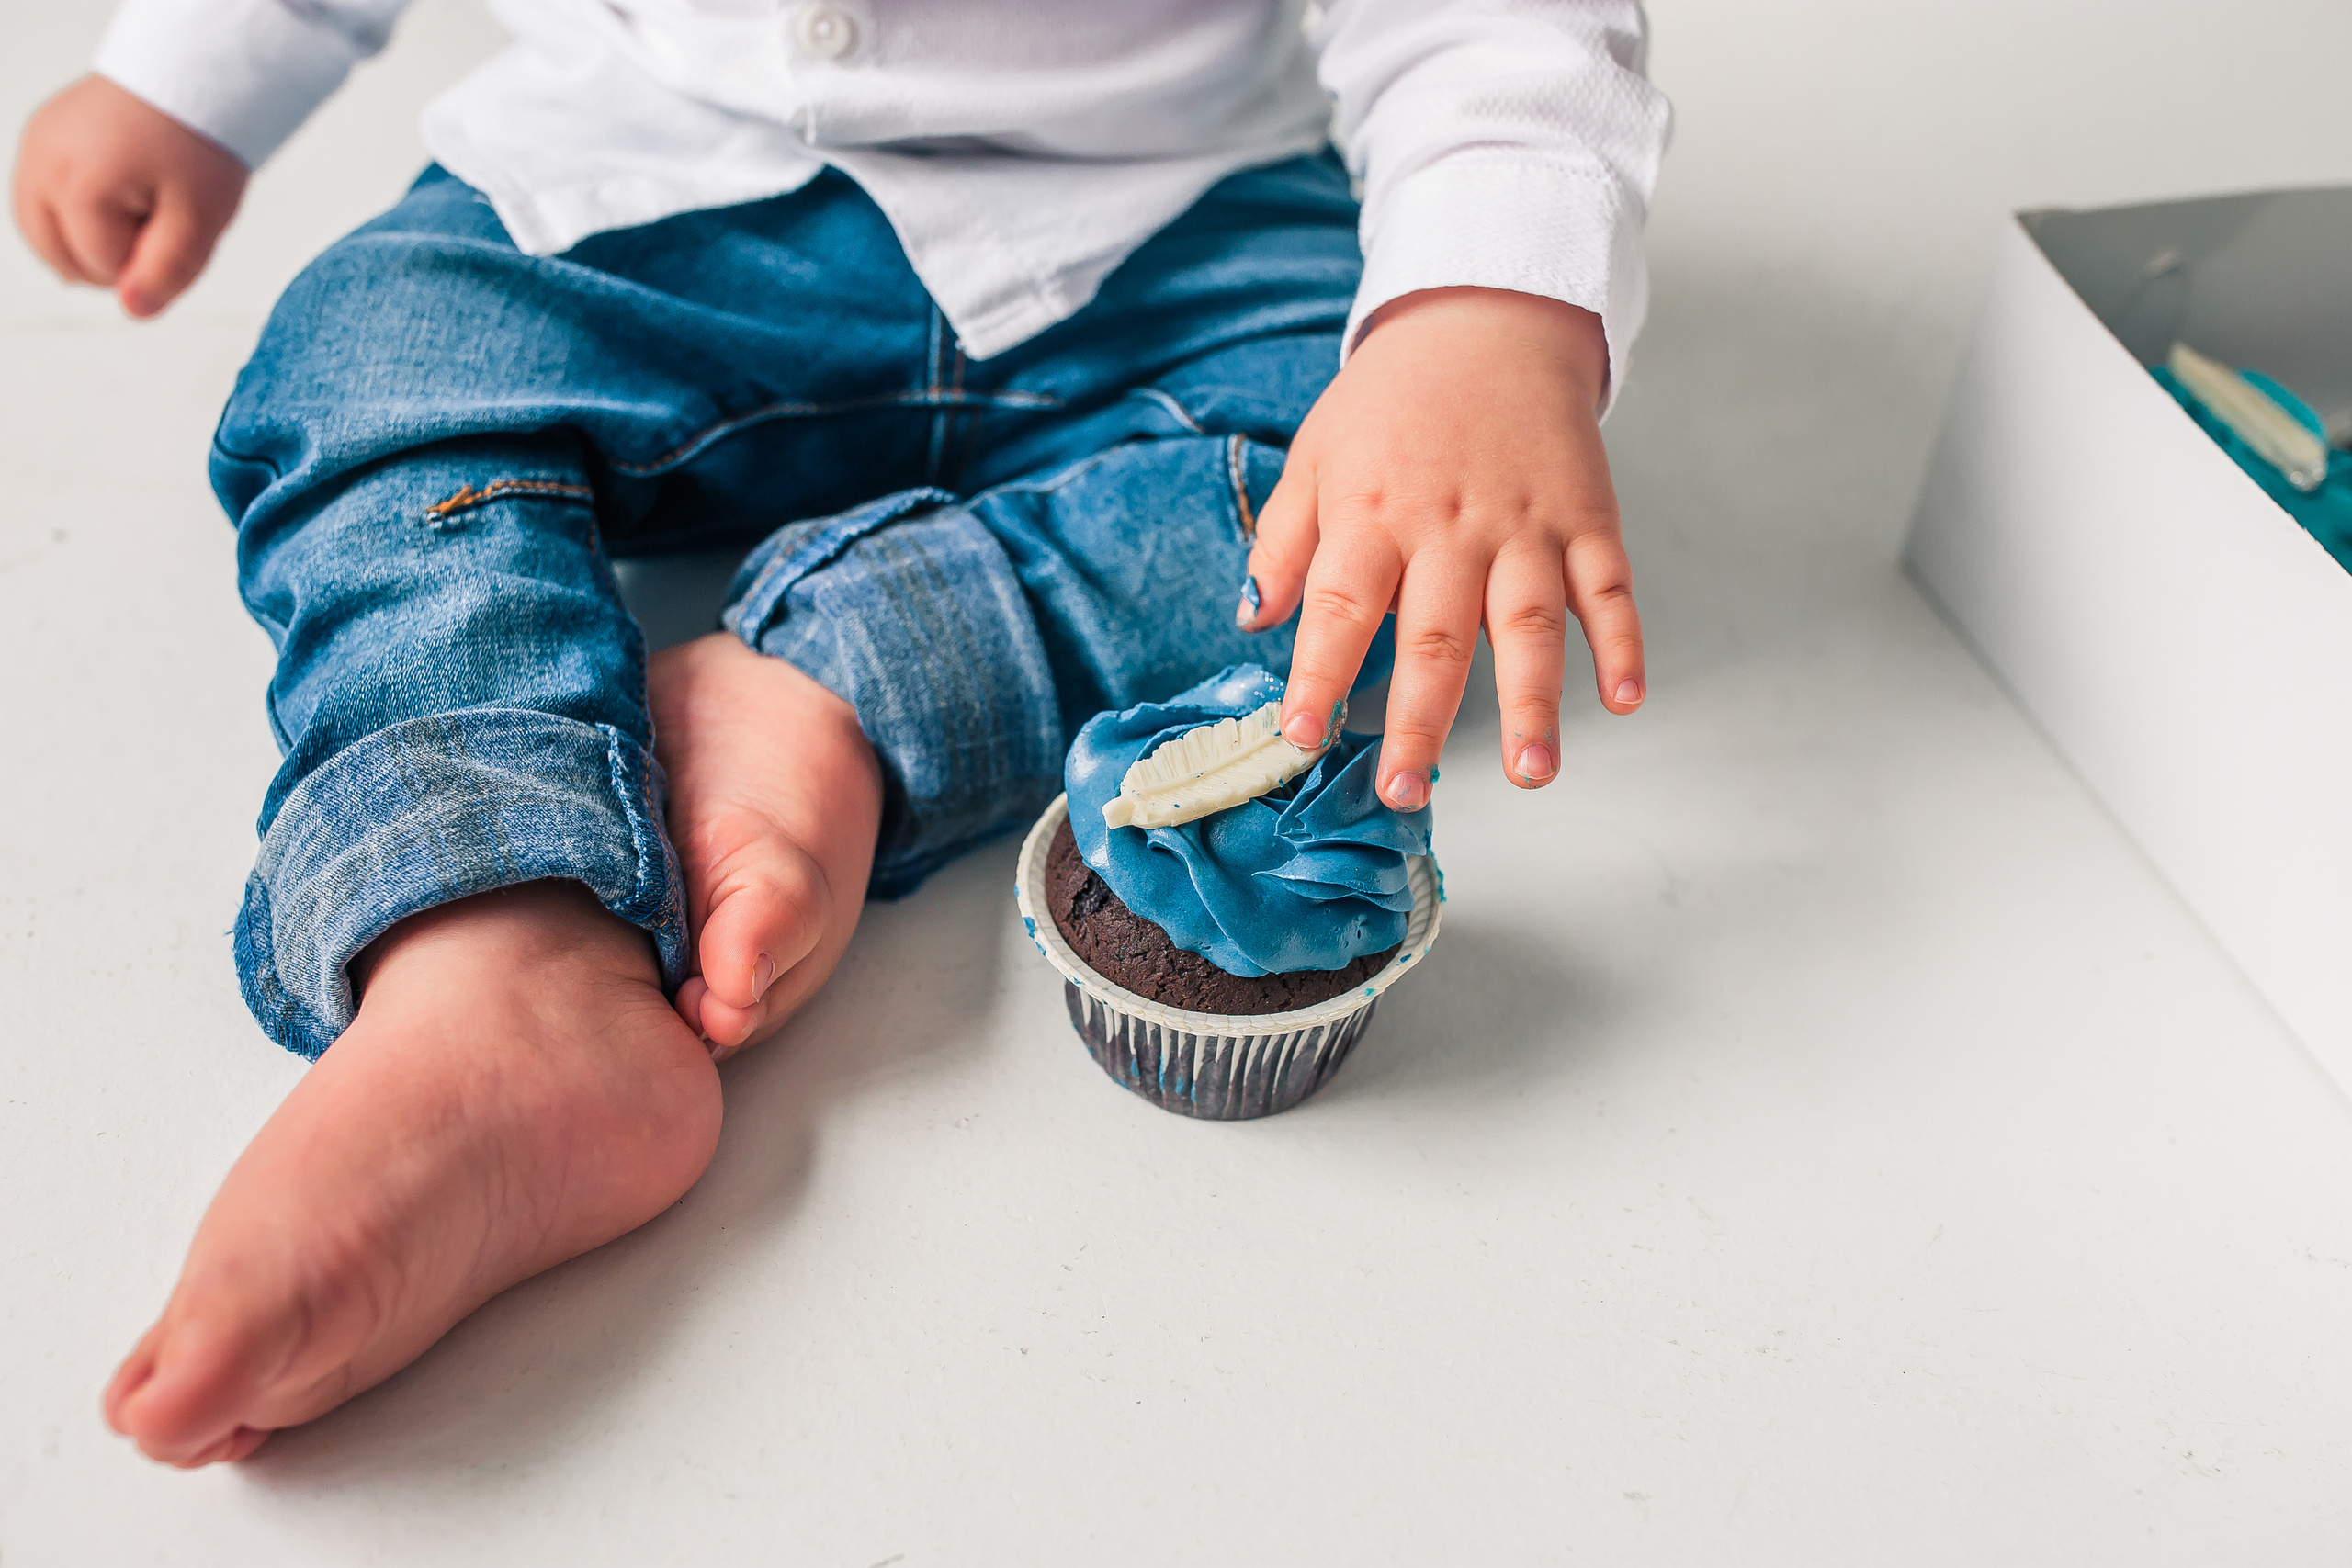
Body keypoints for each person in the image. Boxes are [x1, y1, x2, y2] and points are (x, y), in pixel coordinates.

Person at [11, 0, 1668, 1467]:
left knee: (1397, 530)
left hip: (1165, 220)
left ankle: (829, 688)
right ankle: (495, 943)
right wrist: (187, 72)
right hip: (637, 193)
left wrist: (1483, 302)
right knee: (365, 365)